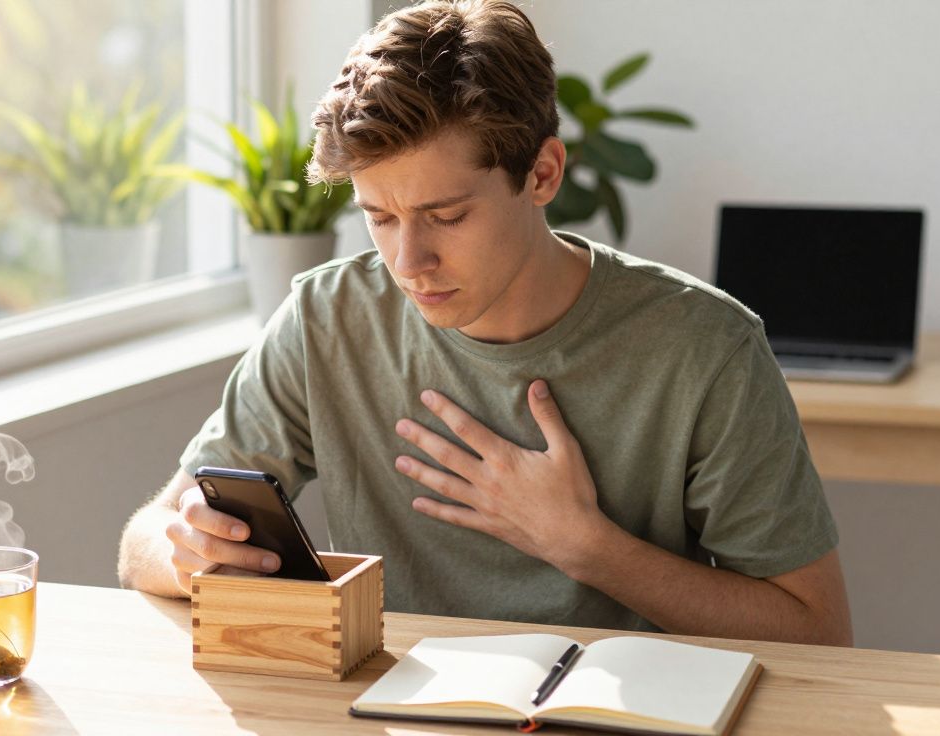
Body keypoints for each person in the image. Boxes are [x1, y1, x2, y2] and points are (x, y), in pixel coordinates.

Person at [118, 0, 852, 645]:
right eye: (379, 216)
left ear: (543, 174)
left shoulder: (705, 348)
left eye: (446, 215)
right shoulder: (324, 319)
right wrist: (181, 554)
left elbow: (817, 632)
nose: (410, 260)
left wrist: (587, 547)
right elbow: (143, 541)